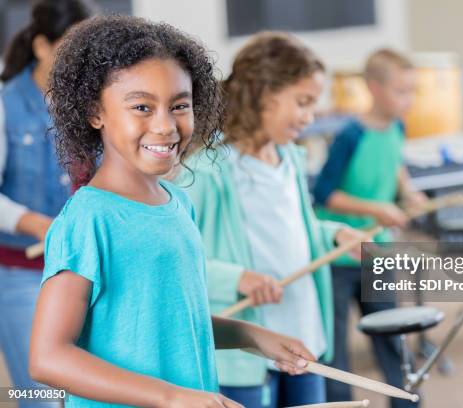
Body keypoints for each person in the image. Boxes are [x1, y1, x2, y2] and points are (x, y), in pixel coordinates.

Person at [28, 16, 316, 408]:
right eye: (142, 107)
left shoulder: (178, 203)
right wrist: (171, 397)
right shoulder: (88, 220)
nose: (166, 125)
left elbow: (176, 325)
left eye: (180, 105)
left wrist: (252, 337)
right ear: (95, 112)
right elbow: (48, 358)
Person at [177, 32, 366, 408]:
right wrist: (237, 279)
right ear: (264, 94)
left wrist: (334, 236)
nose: (310, 117)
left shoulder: (290, 159)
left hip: (301, 331)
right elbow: (176, 258)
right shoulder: (207, 169)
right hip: (245, 351)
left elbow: (297, 229)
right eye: (303, 102)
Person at [313, 48, 427, 408]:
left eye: (412, 91)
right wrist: (376, 207)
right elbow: (325, 194)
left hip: (376, 252)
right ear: (374, 88)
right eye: (401, 91)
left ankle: (405, 402)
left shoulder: (397, 127)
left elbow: (394, 164)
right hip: (338, 256)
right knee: (335, 349)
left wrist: (407, 190)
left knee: (392, 336)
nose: (408, 100)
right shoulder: (349, 135)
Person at [0, 1, 93, 406]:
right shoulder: (5, 103)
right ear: (41, 46)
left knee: (85, 394)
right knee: (38, 396)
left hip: (80, 270)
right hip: (19, 273)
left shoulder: (89, 105)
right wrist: (39, 224)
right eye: (69, 50)